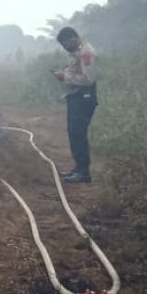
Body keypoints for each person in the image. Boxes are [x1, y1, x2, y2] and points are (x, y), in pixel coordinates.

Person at [53, 27, 98, 184]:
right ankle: (79, 168)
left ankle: (83, 172)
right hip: (76, 97)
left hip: (84, 98)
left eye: (66, 43)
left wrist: (64, 76)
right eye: (63, 45)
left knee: (78, 134)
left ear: (73, 37)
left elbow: (88, 79)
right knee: (74, 133)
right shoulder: (77, 52)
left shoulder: (86, 53)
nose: (65, 47)